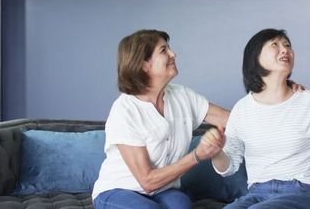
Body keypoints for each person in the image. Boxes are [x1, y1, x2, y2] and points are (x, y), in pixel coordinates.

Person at [201, 28, 310, 209]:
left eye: (287, 45)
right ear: (255, 57)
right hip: (257, 193)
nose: (285, 49)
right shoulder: (242, 109)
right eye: (275, 44)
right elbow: (228, 168)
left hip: (304, 192)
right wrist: (216, 151)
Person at [92, 29, 228, 209]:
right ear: (143, 64)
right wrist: (197, 156)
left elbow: (230, 120)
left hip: (163, 189)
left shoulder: (183, 96)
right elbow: (147, 181)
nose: (173, 54)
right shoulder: (125, 110)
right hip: (118, 190)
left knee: (182, 205)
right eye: (164, 50)